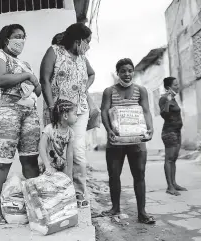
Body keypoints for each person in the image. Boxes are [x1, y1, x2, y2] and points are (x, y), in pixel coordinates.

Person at [0, 24, 41, 225]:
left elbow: (36, 91)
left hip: (29, 113)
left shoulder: (24, 63)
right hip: (6, 112)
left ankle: (33, 206)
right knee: (3, 161)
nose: (21, 40)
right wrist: (28, 76)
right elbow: (0, 80)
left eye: (24, 37)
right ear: (6, 39)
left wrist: (37, 85)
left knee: (30, 160)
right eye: (17, 36)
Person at [40, 23, 95, 207]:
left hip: (79, 112)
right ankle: (56, 194)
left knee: (77, 153)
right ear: (78, 40)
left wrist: (83, 91)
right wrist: (50, 106)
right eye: (87, 41)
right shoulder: (54, 51)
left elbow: (91, 74)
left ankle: (79, 194)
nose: (88, 45)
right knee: (55, 152)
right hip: (58, 112)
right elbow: (45, 79)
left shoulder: (82, 57)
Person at [100, 58, 155, 224]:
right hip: (115, 141)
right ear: (117, 73)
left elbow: (146, 111)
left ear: (133, 72)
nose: (127, 74)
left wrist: (150, 128)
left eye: (130, 70)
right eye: (123, 71)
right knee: (114, 174)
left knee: (139, 175)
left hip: (137, 141)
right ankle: (115, 208)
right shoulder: (109, 91)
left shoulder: (141, 90)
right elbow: (104, 112)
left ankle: (142, 212)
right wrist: (109, 130)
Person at [159, 77, 187, 196]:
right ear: (168, 87)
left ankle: (174, 183)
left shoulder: (174, 99)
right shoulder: (164, 98)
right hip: (169, 132)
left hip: (177, 132)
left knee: (174, 159)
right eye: (175, 85)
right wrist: (168, 100)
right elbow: (164, 114)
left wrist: (171, 99)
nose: (177, 86)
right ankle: (170, 187)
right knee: (169, 159)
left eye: (177, 84)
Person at [39, 99, 76, 177]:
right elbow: (41, 147)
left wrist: (69, 173)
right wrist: (47, 165)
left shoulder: (70, 132)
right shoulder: (49, 129)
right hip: (49, 163)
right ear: (65, 116)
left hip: (62, 163)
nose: (77, 117)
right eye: (75, 114)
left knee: (66, 183)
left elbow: (70, 153)